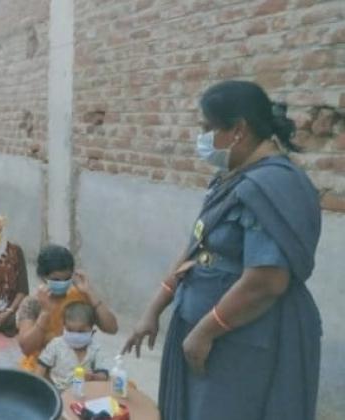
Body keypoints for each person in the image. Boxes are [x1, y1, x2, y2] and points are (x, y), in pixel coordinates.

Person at [122, 81, 322, 420]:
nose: (201, 138)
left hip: (241, 339)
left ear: (238, 130)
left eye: (207, 128)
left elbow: (267, 280)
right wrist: (154, 309)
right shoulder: (232, 177)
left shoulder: (274, 185)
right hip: (205, 330)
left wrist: (205, 331)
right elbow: (196, 246)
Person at [16, 244, 118, 372]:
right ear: (43, 277)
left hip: (80, 367)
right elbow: (26, 348)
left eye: (67, 279)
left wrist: (90, 292)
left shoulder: (80, 297)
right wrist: (45, 313)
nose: (62, 283)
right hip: (42, 368)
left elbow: (112, 328)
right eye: (56, 280)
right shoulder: (32, 303)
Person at [35, 302, 110, 391]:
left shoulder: (95, 349)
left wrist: (94, 377)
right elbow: (41, 368)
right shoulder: (56, 344)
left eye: (81, 331)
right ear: (64, 327)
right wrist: (37, 387)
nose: (75, 335)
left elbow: (103, 374)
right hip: (57, 391)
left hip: (85, 392)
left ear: (92, 332)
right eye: (70, 330)